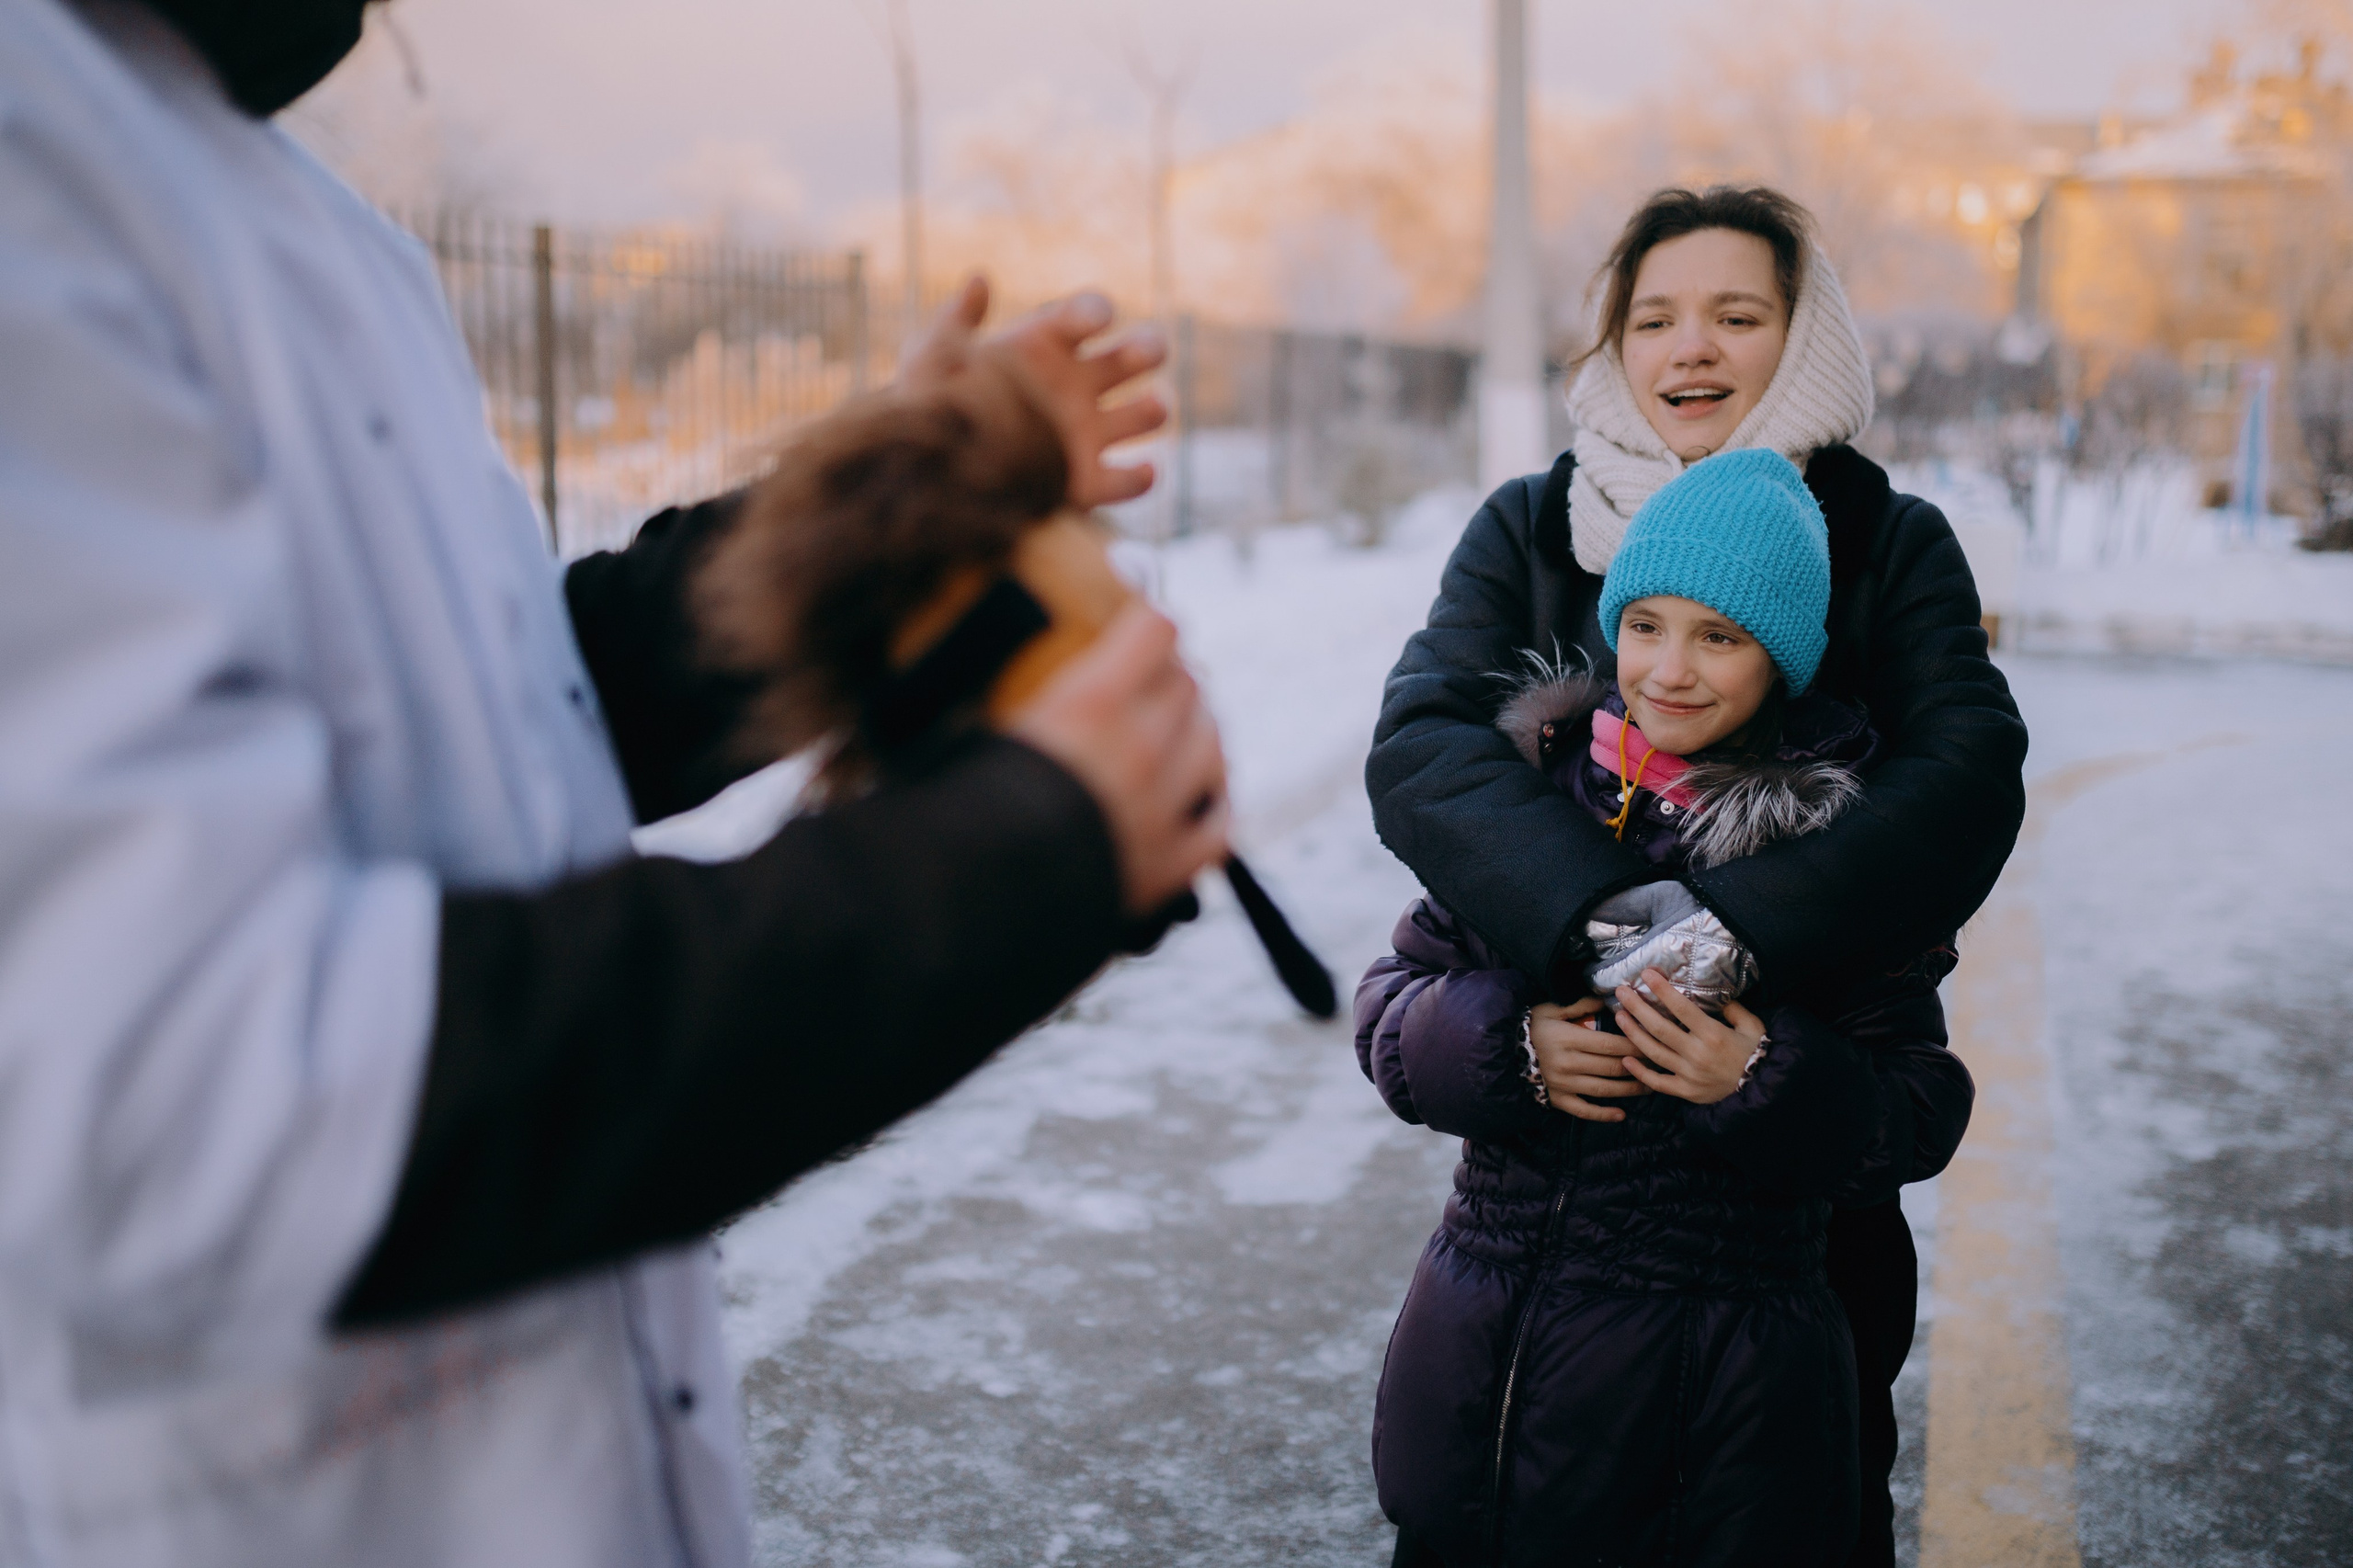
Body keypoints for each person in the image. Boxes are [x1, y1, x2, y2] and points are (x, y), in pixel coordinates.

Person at [0, 1, 1225, 1562]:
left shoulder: (309, 216)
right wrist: (1010, 857)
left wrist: (874, 519)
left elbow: (505, 704)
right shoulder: (30, 158)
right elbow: (198, 1085)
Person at [1365, 186, 2029, 1566]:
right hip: (1543, 1228)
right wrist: (1611, 932)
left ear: (1804, 338)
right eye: (1655, 315)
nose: (1693, 349)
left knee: (1774, 1503)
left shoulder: (1883, 537)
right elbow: (1427, 751)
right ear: (1614, 342)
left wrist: (1734, 938)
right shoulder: (1534, 526)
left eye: (1740, 314)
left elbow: (1962, 779)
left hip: (1779, 1198)